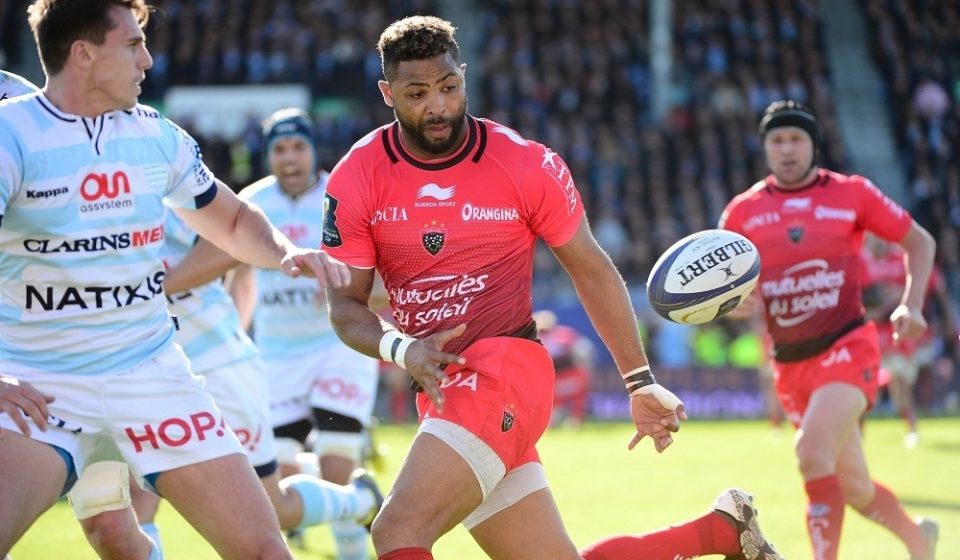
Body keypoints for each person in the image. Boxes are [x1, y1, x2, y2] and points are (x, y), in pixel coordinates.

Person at [321, 15, 781, 560]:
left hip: (504, 370)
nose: (438, 106)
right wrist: (402, 349)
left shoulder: (524, 163)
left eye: (449, 87)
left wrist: (639, 383)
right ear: (387, 93)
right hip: (442, 388)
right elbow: (345, 306)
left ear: (463, 75)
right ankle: (724, 531)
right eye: (417, 93)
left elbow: (590, 266)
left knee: (396, 531)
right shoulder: (356, 178)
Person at [0, 1, 350, 558]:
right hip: (40, 384)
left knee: (264, 548)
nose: (148, 59)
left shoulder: (156, 135)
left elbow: (231, 219)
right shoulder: (11, 135)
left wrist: (284, 252)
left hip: (152, 375)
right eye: (133, 44)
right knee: (113, 535)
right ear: (84, 54)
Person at [720, 100, 939, 560]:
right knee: (854, 485)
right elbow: (728, 291)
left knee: (811, 454)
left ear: (813, 145)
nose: (787, 149)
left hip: (848, 347)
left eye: (796, 139)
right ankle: (918, 538)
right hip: (790, 365)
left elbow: (919, 241)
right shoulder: (742, 214)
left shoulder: (852, 194)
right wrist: (733, 305)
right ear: (765, 150)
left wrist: (912, 305)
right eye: (777, 141)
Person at [163, 107, 384, 558]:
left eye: (298, 146)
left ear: (313, 150)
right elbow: (240, 279)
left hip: (337, 347)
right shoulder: (252, 203)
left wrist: (350, 295)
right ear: (267, 156)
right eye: (279, 149)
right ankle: (362, 501)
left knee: (336, 464)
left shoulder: (341, 197)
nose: (289, 157)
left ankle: (354, 530)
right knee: (276, 485)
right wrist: (238, 335)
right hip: (279, 357)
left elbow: (378, 276)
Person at [106, 208, 384, 558]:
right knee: (133, 510)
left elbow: (229, 245)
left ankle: (358, 501)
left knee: (272, 509)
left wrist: (155, 292)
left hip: (221, 370)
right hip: (152, 373)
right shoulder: (87, 215)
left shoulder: (161, 194)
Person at [860, 234, 958, 448]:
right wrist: (872, 307)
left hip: (897, 331)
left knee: (900, 381)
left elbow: (934, 284)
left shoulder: (902, 259)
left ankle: (911, 428)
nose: (877, 243)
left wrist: (903, 298)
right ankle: (858, 435)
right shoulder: (863, 260)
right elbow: (860, 296)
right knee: (864, 385)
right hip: (871, 332)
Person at [533, 310, 594, 428]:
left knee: (580, 381)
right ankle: (552, 417)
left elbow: (584, 350)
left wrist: (585, 367)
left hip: (568, 374)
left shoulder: (564, 335)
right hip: (549, 378)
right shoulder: (532, 339)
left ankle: (576, 418)